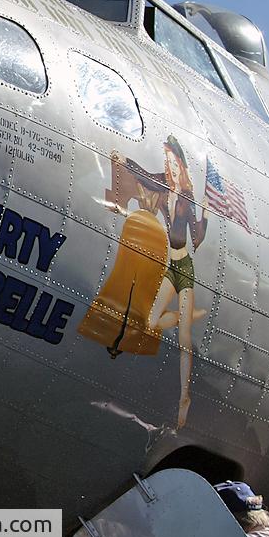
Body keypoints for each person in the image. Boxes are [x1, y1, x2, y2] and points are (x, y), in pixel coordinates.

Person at [113, 136, 209, 428]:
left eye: (173, 162)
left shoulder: (187, 197)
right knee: (151, 321)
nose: (170, 167)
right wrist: (125, 162)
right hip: (172, 265)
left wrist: (204, 213)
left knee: (183, 340)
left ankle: (184, 398)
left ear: (181, 165)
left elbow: (198, 237)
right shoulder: (164, 187)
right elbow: (144, 175)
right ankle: (185, 315)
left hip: (185, 267)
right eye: (166, 161)